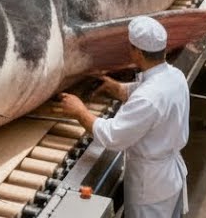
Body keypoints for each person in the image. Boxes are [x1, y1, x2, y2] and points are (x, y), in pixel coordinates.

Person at [57, 16, 189, 218]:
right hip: (169, 178)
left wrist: (79, 111)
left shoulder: (147, 98)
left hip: (150, 187)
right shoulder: (175, 76)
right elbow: (149, 93)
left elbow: (113, 137)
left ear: (137, 52)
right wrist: (118, 88)